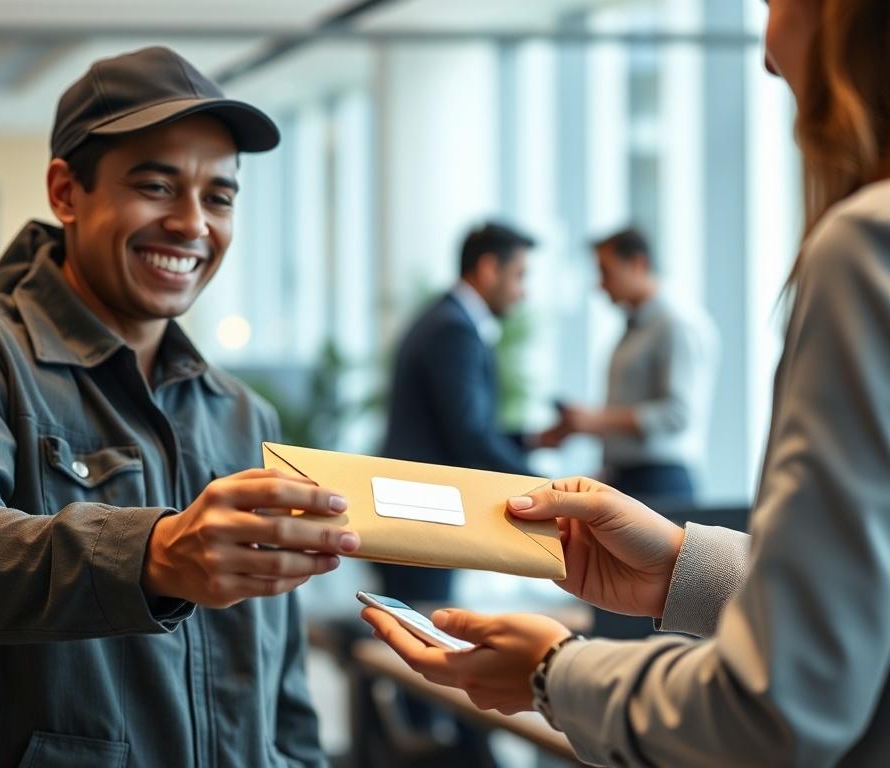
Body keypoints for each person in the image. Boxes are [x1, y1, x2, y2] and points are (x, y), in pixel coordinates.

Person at [365, 0, 890, 765]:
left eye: (774, 3)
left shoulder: (863, 245)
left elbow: (780, 707)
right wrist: (684, 563)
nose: (766, 55)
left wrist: (551, 671)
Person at [0, 46, 361, 766]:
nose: (193, 223)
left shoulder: (242, 414)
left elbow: (281, 687)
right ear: (67, 192)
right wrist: (155, 553)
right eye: (157, 186)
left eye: (219, 196)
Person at [378, 221, 554, 604]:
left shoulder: (443, 318)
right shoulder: (453, 330)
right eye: (519, 276)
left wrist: (535, 440)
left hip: (415, 512)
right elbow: (468, 434)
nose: (523, 292)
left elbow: (456, 424)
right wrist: (546, 490)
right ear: (490, 268)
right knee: (419, 637)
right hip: (423, 516)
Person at [545, 227, 718, 507]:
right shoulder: (635, 327)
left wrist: (596, 420)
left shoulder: (676, 324)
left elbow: (678, 414)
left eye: (605, 271)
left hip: (659, 481)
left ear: (638, 264)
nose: (599, 284)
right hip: (627, 477)